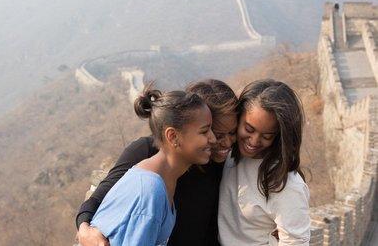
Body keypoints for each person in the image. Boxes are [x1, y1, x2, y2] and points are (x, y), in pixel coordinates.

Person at [76, 79, 238, 246]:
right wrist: (85, 231)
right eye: (211, 132)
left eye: (232, 133)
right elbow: (100, 199)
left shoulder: (221, 165)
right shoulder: (148, 164)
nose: (224, 142)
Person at [218, 79, 310, 246]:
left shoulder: (287, 184)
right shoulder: (227, 155)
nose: (254, 141)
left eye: (267, 136)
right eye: (248, 129)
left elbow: (295, 242)